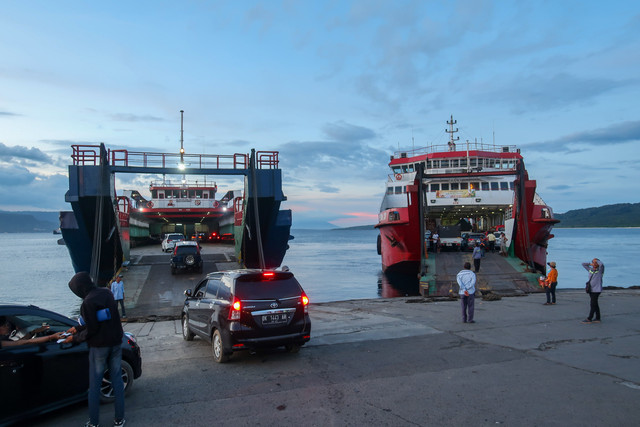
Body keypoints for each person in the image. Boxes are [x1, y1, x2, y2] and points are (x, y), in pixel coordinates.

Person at [64, 272, 125, 427]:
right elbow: (102, 318)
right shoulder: (106, 293)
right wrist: (77, 329)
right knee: (117, 382)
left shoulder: (87, 303)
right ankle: (119, 420)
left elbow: (92, 329)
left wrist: (75, 337)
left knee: (94, 386)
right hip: (116, 343)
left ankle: (94, 422)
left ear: (80, 288)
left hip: (99, 347)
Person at [581, 258, 604, 323]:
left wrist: (596, 261)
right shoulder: (590, 270)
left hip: (597, 290)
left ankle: (589, 318)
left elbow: (602, 264)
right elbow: (583, 264)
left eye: (595, 263)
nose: (594, 264)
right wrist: (590, 263)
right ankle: (598, 318)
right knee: (595, 304)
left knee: (593, 304)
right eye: (593, 262)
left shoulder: (600, 270)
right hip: (591, 289)